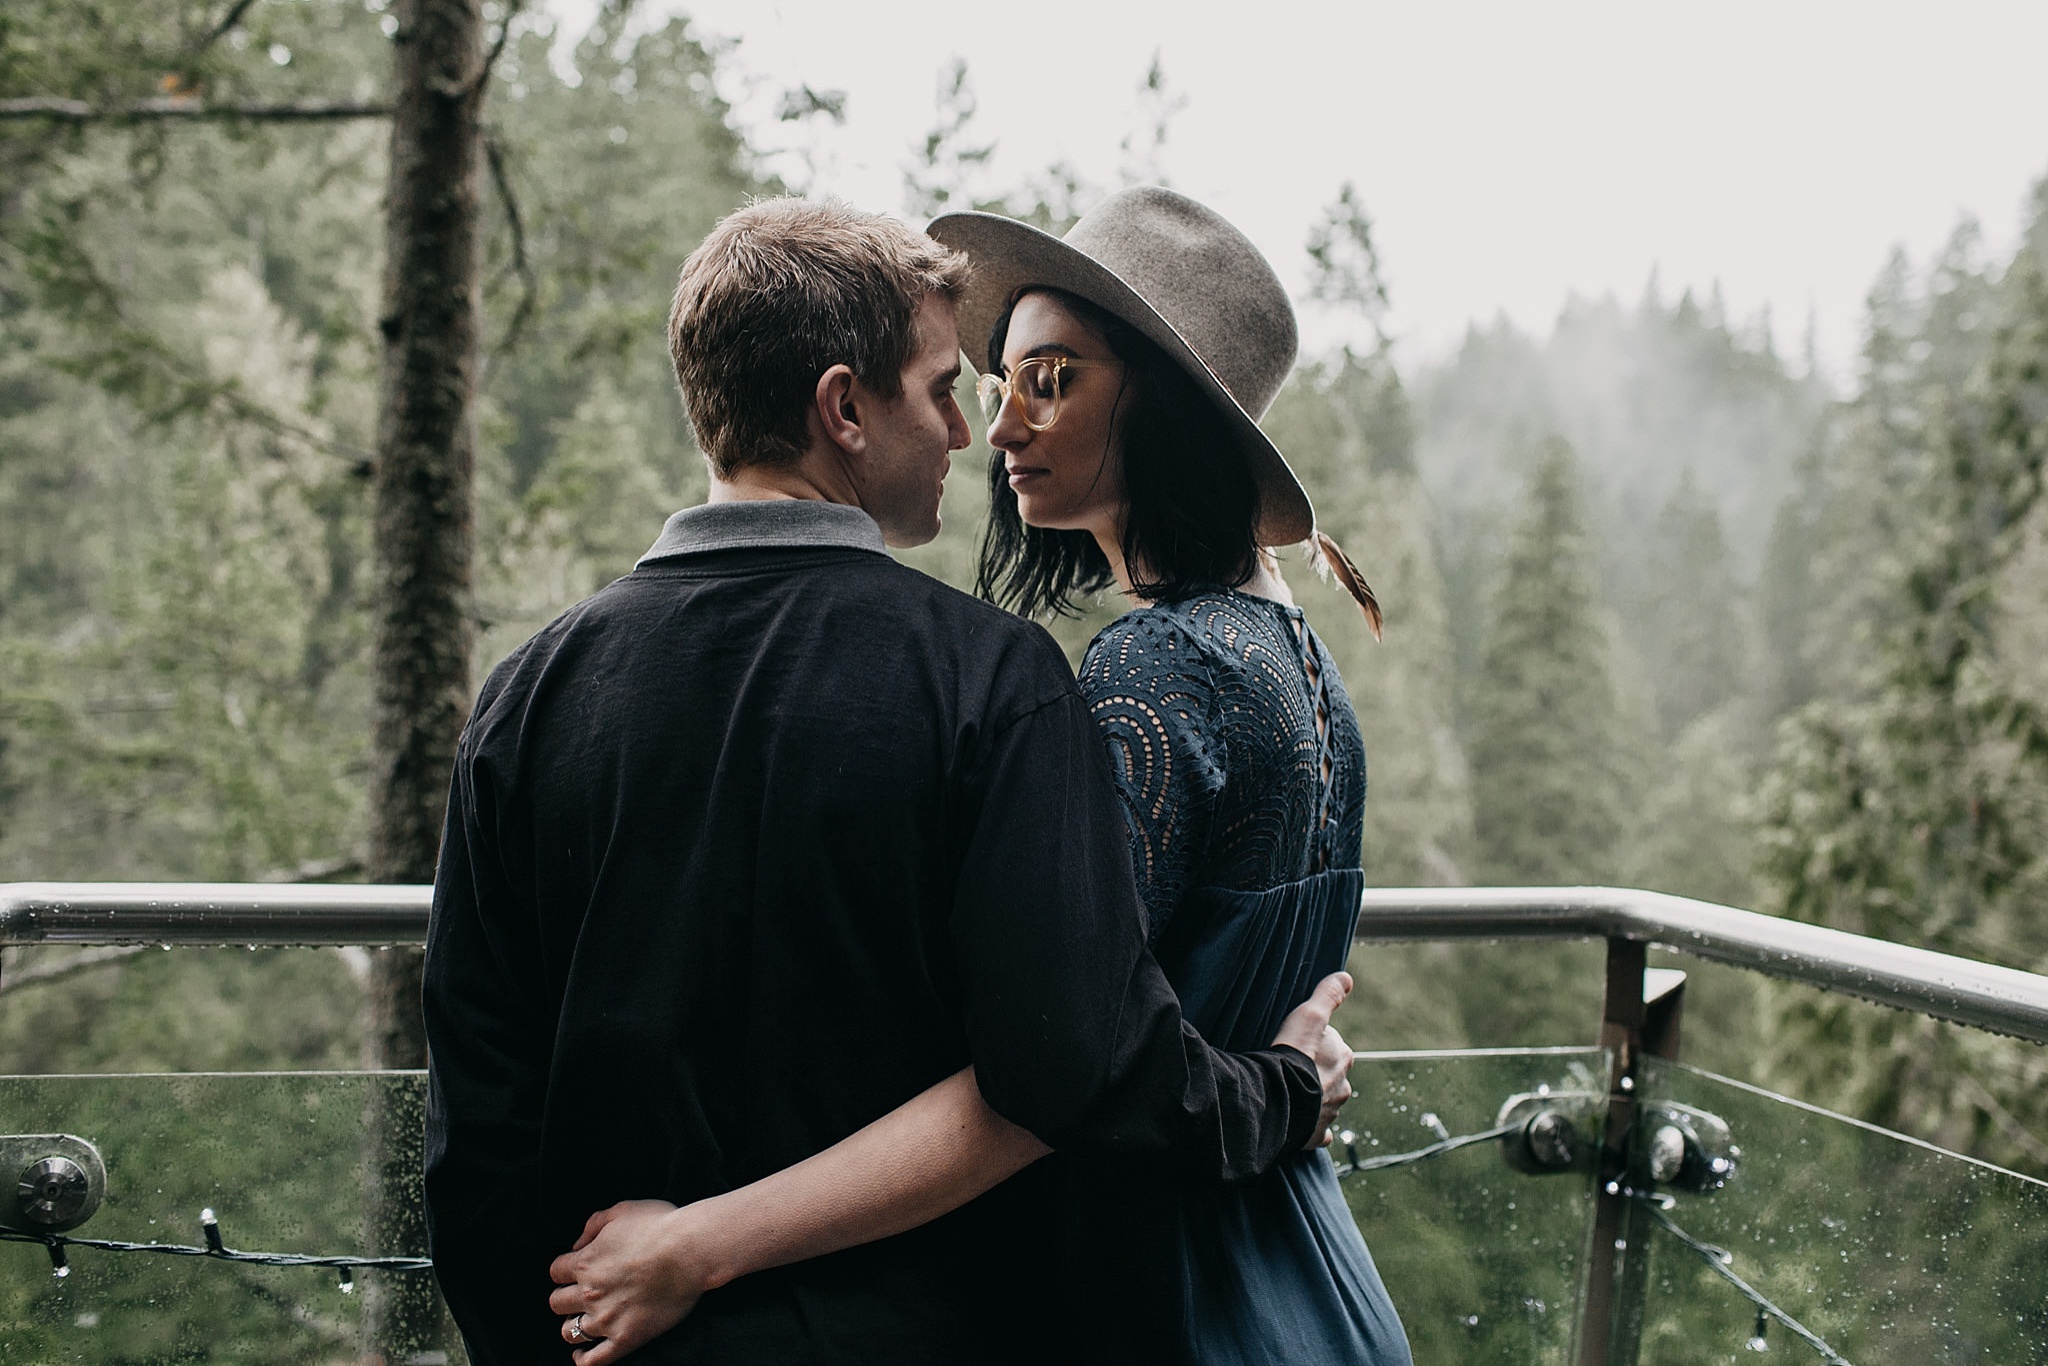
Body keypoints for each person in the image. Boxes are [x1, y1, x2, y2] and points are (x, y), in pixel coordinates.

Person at [422, 196, 1357, 1366]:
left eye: (1036, 381)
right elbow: (1074, 1064)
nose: (973, 433)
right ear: (842, 411)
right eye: (941, 388)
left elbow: (476, 1128)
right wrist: (1281, 1089)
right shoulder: (996, 684)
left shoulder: (524, 696)